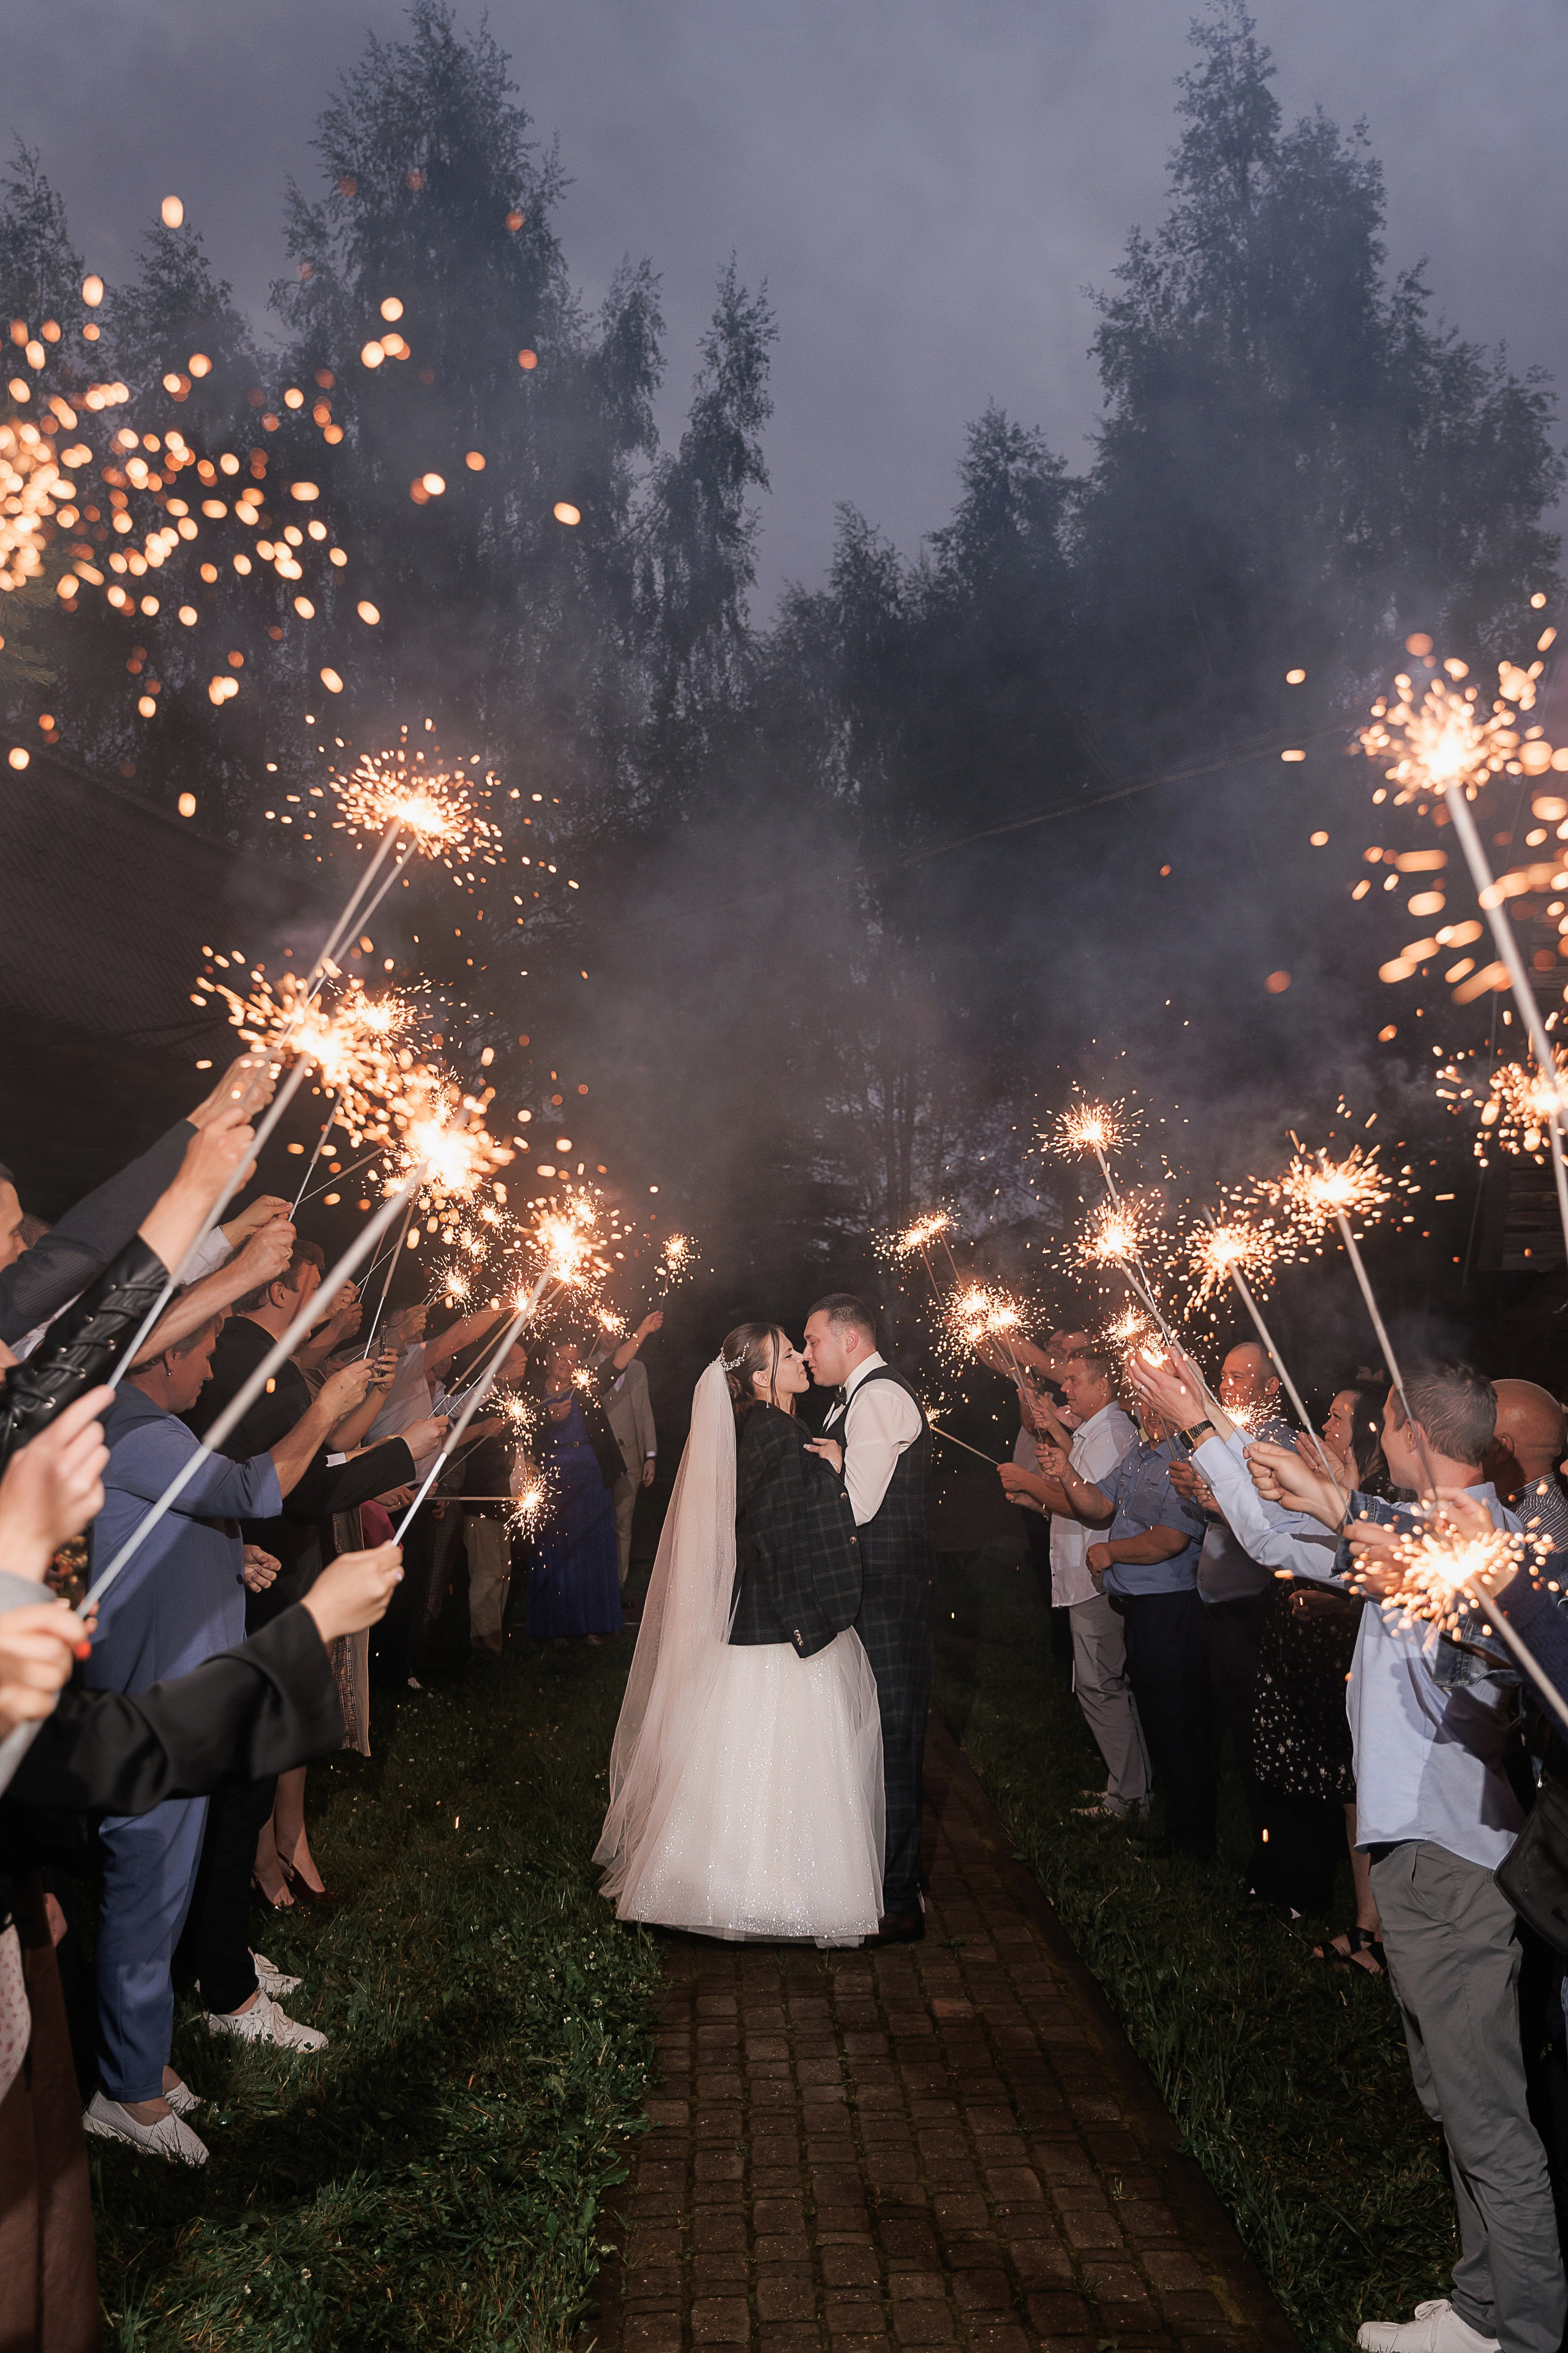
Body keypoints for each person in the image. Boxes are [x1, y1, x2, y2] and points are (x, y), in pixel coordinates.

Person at [1177, 1354, 1566, 2353]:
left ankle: (1517, 2327)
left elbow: (1459, 1620)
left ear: (1408, 1431)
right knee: (1452, 2090)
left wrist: (1235, 1445)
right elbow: (1291, 1534)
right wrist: (1215, 1433)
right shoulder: (1421, 1530)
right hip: (1420, 1852)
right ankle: (1486, 2302)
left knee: (1483, 2106)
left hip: (1454, 1857)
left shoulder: (1489, 1551)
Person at [81, 1316, 379, 2159]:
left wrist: (229, 1556)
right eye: (203, 1350)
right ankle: (125, 2094)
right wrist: (323, 1411)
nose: (212, 1368)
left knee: (166, 1888)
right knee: (145, 1891)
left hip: (182, 1692)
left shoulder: (149, 1428)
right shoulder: (132, 1428)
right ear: (164, 1352)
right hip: (151, 1700)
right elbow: (252, 1484)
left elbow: (178, 1523)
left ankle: (145, 2059)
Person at [595, 1326, 882, 1943]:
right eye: (787, 1354)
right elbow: (777, 1537)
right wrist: (807, 1619)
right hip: (780, 1625)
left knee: (750, 1756)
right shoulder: (778, 1435)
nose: (802, 1358)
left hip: (760, 1619)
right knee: (781, 1758)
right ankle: (773, 1896)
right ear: (759, 1377)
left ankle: (727, 1887)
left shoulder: (765, 1430)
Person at [185, 1236, 440, 1914]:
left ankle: (267, 1868)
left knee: (274, 1735)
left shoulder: (257, 1353)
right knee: (257, 1745)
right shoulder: (244, 1352)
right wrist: (398, 1454)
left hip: (277, 1564)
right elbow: (289, 1483)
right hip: (265, 1573)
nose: (323, 1283)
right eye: (312, 1273)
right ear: (276, 1287)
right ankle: (247, 1898)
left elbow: (309, 1464)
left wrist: (380, 1459)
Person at [804, 1293, 934, 1943]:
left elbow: (856, 1505)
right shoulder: (852, 1395)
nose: (807, 1353)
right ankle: (874, 1880)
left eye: (813, 1341)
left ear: (850, 1339)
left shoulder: (880, 1395)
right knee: (868, 1739)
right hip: (869, 1596)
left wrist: (829, 1468)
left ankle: (897, 1900)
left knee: (893, 1739)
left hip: (888, 1598)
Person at [1035, 1403, 1213, 1859]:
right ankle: (1174, 1829)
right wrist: (1068, 1472)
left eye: (1157, 1406)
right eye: (1143, 1404)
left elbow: (1170, 1538)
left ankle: (1193, 1843)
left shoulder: (1185, 1461)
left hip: (1169, 1609)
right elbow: (1100, 1502)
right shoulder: (1139, 1450)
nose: (1147, 1413)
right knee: (1157, 1719)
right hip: (1137, 1608)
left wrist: (1112, 1552)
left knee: (1178, 1725)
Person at [998, 1346, 1147, 1818]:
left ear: (1103, 1386)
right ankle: (1128, 1788)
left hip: (1095, 1578)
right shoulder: (1092, 1431)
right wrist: (1036, 1499)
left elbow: (1092, 1506)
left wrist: (1031, 1483)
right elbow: (1072, 1492)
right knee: (1098, 1683)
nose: (1066, 1388)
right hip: (1082, 1573)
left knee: (1100, 1685)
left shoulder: (1113, 1432)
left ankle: (1129, 1797)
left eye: (1075, 1380)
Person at [524, 1340, 623, 1642]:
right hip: (553, 1474)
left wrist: (644, 1330)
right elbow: (522, 1430)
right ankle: (557, 1626)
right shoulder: (532, 1391)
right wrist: (548, 1418)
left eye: (572, 1359)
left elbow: (615, 1366)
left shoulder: (585, 1389)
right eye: (560, 1357)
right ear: (548, 1358)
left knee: (590, 1548)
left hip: (588, 1474)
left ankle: (592, 1624)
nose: (566, 1363)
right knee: (556, 1549)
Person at [595, 1312, 662, 1585]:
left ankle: (617, 1587)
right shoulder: (586, 1368)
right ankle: (597, 1586)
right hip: (597, 1459)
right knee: (598, 1524)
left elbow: (645, 1411)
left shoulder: (637, 1368)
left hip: (630, 1458)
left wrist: (650, 1456)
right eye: (605, 1329)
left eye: (615, 1329)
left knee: (623, 1526)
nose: (610, 1334)